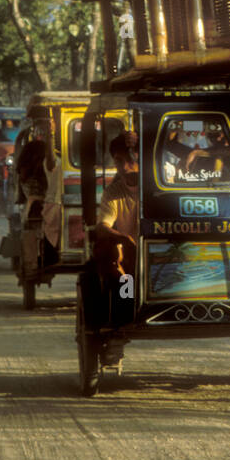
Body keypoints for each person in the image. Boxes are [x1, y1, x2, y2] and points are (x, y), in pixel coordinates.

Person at [93, 129, 140, 367]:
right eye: (119, 162)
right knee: (123, 277)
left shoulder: (164, 182)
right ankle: (119, 327)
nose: (124, 166)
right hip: (130, 260)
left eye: (129, 160)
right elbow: (103, 226)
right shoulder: (113, 192)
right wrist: (126, 239)